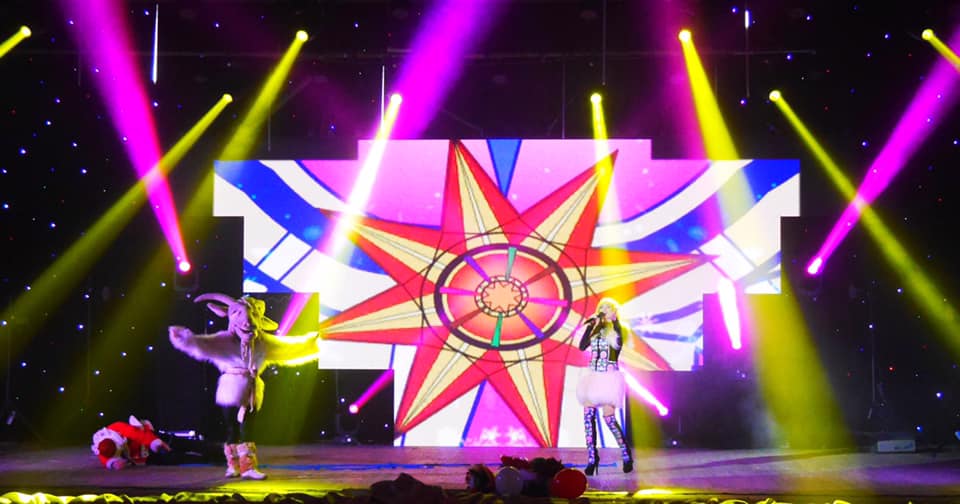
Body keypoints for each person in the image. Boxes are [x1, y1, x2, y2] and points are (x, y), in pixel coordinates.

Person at [168, 293, 322, 480]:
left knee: (248, 428)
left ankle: (248, 467)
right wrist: (185, 338)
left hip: (251, 390)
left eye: (252, 316)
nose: (247, 322)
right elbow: (202, 345)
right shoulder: (223, 340)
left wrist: (311, 342)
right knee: (232, 428)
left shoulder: (263, 342)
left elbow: (288, 348)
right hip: (230, 389)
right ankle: (233, 466)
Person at [576, 298, 633, 475]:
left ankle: (626, 454)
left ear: (614, 312)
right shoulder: (595, 330)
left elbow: (618, 340)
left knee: (609, 419)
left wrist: (614, 321)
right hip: (592, 376)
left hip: (608, 377)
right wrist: (590, 326)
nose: (604, 310)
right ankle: (592, 458)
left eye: (608, 308)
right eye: (602, 307)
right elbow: (582, 346)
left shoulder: (618, 330)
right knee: (588, 418)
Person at [91, 415, 171, 470]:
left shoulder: (120, 428)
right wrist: (113, 464)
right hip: (142, 456)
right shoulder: (100, 445)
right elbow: (104, 458)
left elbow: (141, 435)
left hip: (148, 439)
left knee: (169, 445)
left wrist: (157, 442)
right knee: (164, 459)